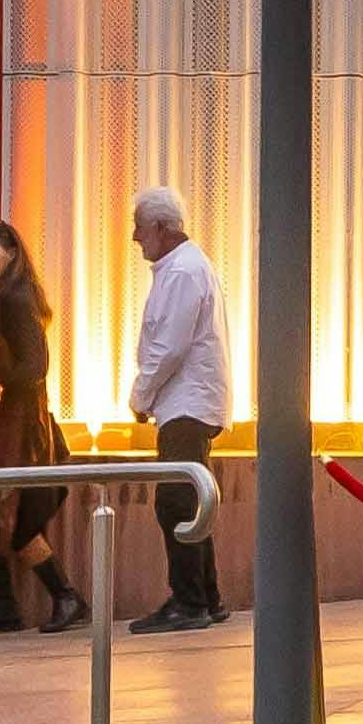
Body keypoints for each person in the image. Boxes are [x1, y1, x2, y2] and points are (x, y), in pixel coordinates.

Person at [118, 184, 230, 631]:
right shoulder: (182, 267)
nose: (134, 238)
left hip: (186, 403)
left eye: (140, 229)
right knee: (191, 499)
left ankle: (190, 601)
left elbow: (169, 347)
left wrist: (140, 395)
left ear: (162, 228)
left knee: (176, 501)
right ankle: (207, 595)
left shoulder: (182, 272)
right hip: (189, 401)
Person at [0, 221, 77, 635]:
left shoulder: (17, 300)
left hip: (17, 428)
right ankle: (4, 607)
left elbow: (36, 367)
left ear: (12, 253)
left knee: (12, 521)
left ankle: (65, 596)